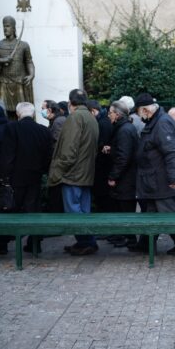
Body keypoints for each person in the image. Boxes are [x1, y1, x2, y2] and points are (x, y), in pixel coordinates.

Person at [130, 93, 175, 255]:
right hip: (155, 180)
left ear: (145, 110)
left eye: (138, 111)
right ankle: (145, 244)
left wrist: (173, 178)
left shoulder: (162, 123)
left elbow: (172, 152)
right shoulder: (157, 121)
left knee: (170, 214)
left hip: (163, 181)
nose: (137, 115)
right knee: (151, 214)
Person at [0, 102, 53, 255]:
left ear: (18, 114)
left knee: (8, 211)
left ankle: (1, 245)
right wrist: (42, 171)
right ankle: (34, 244)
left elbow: (8, 154)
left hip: (15, 177)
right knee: (34, 211)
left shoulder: (11, 128)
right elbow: (48, 156)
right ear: (32, 114)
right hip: (35, 177)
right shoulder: (43, 130)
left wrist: (4, 176)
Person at [48, 89, 99, 256]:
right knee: (84, 210)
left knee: (74, 211)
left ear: (70, 103)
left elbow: (69, 150)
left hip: (73, 174)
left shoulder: (75, 118)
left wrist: (59, 169)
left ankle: (86, 242)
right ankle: (86, 241)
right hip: (85, 172)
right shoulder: (91, 118)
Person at [0, 16, 35, 120]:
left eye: (8, 26)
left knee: (23, 111)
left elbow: (29, 61)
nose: (5, 29)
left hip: (19, 82)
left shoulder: (23, 45)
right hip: (4, 83)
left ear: (13, 28)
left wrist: (31, 75)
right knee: (2, 111)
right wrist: (3, 60)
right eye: (4, 26)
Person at [105, 101, 139, 247]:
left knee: (125, 209)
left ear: (117, 114)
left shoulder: (124, 130)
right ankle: (125, 237)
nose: (108, 115)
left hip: (126, 179)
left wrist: (113, 176)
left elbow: (124, 157)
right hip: (127, 177)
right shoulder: (125, 128)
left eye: (110, 112)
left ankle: (130, 239)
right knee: (123, 208)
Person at [87, 100, 114, 214]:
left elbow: (102, 147)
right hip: (105, 168)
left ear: (93, 111)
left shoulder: (101, 123)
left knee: (102, 200)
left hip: (102, 169)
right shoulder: (105, 121)